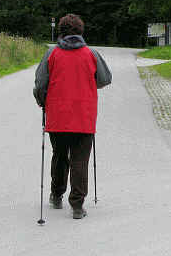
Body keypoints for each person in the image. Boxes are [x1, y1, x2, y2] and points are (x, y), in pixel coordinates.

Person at [33, 14, 112, 219]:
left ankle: (56, 195)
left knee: (59, 156)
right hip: (84, 117)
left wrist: (43, 102)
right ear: (80, 31)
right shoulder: (91, 54)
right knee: (80, 159)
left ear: (61, 31)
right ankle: (77, 205)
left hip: (57, 116)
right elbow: (105, 80)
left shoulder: (51, 54)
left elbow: (40, 85)